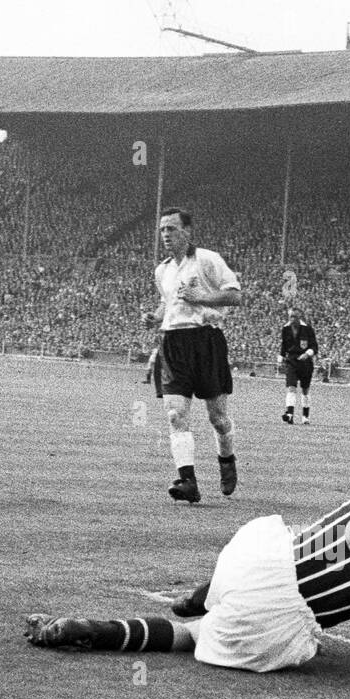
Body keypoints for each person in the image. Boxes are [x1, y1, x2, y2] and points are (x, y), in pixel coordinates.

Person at [24, 487, 350, 683]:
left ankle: (200, 596)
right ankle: (102, 630)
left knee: (270, 566)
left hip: (258, 554)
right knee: (192, 638)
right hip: (281, 609)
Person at [142, 208, 242, 503]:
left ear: (187, 231)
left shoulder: (208, 260)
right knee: (175, 415)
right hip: (173, 343)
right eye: (162, 230)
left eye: (171, 229)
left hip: (206, 341)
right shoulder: (162, 270)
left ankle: (227, 460)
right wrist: (155, 317)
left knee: (219, 418)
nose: (165, 235)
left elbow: (235, 295)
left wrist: (202, 298)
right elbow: (167, 303)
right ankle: (188, 482)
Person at [279, 308, 319, 425]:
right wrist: (281, 356)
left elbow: (314, 347)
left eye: (294, 317)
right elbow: (284, 345)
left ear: (299, 317)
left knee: (305, 390)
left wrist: (307, 354)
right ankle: (289, 414)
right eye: (290, 316)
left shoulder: (308, 329)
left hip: (305, 363)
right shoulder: (285, 329)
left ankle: (305, 416)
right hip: (291, 361)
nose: (291, 319)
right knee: (291, 387)